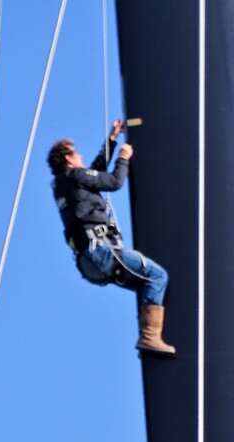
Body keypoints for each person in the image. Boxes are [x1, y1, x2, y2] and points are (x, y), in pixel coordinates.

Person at [47, 120, 175, 357]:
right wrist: (123, 158)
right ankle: (149, 338)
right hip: (101, 253)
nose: (80, 155)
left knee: (146, 285)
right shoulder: (75, 176)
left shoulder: (63, 183)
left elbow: (94, 172)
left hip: (89, 263)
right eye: (76, 153)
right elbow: (113, 181)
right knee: (157, 276)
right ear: (68, 159)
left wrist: (113, 138)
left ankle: (149, 337)